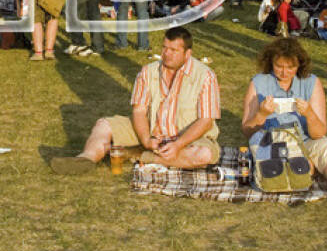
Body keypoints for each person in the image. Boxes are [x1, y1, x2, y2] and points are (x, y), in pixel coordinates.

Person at [51, 26, 218, 173]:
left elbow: (205, 121)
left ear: (187, 54)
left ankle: (137, 154)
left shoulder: (205, 76)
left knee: (203, 155)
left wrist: (178, 144)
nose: (167, 54)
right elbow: (139, 111)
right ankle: (85, 159)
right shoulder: (148, 72)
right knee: (104, 125)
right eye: (164, 48)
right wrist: (146, 139)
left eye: (173, 50)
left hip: (188, 138)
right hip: (152, 131)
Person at [241, 37, 327, 202]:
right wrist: (261, 114)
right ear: (270, 62)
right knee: (288, 166)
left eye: (291, 67)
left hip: (305, 140)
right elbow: (247, 130)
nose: (284, 72)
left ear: (300, 65)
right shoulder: (258, 82)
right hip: (271, 142)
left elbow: (319, 133)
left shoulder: (312, 82)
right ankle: (324, 168)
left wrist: (309, 113)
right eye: (279, 66)